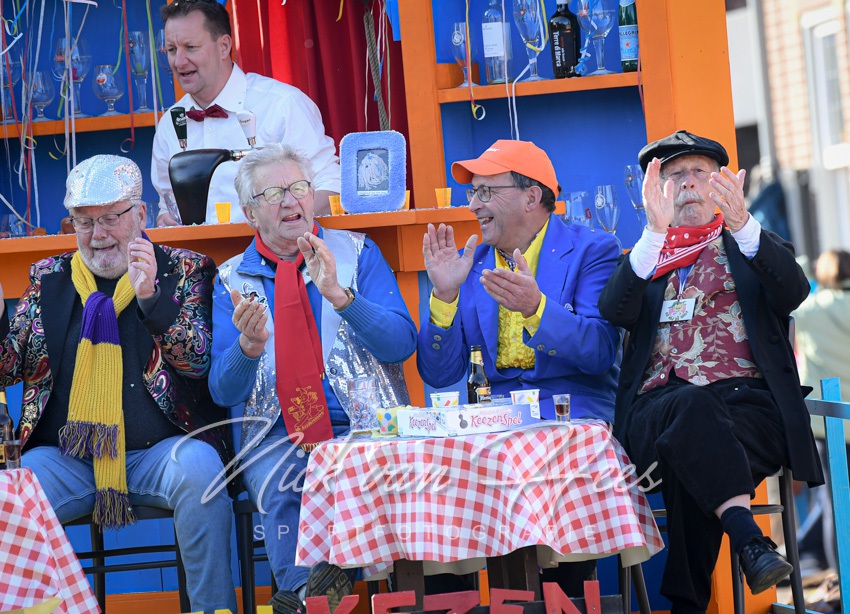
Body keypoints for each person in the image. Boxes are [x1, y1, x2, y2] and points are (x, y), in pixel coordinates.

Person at [597, 129, 824, 614]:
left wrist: (742, 222)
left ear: (720, 183)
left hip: (748, 410)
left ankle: (691, 601)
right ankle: (749, 540)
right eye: (674, 175)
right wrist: (653, 234)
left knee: (693, 448)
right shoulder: (645, 258)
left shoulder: (749, 244)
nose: (687, 184)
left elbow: (794, 291)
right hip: (656, 412)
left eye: (699, 172)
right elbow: (614, 310)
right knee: (690, 410)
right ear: (656, 191)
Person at [0, 155, 237, 613]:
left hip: (161, 452)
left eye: (110, 218)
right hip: (68, 458)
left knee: (202, 473)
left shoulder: (183, 269)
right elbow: (7, 367)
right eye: (84, 222)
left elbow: (198, 363)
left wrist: (152, 300)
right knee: (7, 496)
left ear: (141, 214)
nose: (98, 235)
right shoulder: (50, 278)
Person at [209, 144, 417, 614]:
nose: (291, 201)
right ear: (249, 212)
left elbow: (402, 344)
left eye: (299, 187)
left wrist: (342, 297)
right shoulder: (230, 281)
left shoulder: (357, 253)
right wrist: (247, 349)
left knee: (371, 475)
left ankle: (315, 598)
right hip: (278, 435)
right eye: (274, 193)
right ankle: (312, 597)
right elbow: (222, 391)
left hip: (369, 427)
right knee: (283, 483)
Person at [415, 139, 622, 593]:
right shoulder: (469, 264)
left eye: (486, 191)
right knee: (432, 473)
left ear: (532, 197)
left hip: (569, 421)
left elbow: (600, 352)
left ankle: (561, 595)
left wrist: (537, 310)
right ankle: (455, 596)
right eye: (472, 193)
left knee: (547, 464)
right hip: (494, 423)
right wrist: (444, 297)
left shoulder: (593, 250)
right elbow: (439, 374)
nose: (474, 204)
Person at [152, 0, 340, 226]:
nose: (179, 61)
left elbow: (331, 187)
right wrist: (166, 221)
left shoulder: (282, 104)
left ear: (223, 46)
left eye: (191, 47)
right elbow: (167, 205)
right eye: (172, 50)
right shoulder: (169, 124)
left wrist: (276, 228)